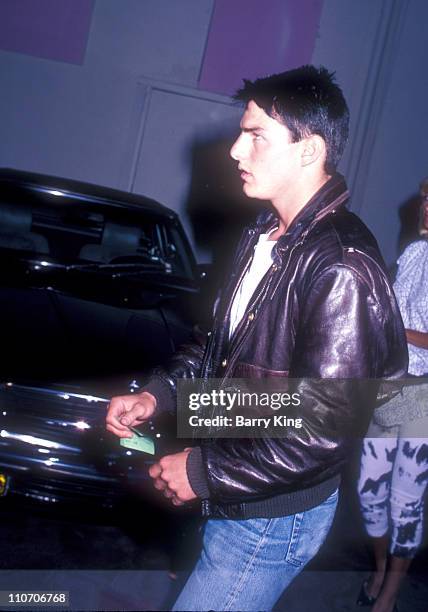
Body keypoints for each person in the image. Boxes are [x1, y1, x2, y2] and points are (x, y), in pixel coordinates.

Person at [106, 65, 407, 611]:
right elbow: (218, 348)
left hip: (273, 515)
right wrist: (160, 396)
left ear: (308, 150)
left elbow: (323, 428)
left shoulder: (341, 265)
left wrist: (203, 472)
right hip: (239, 484)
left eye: (256, 136)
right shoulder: (262, 235)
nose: (234, 152)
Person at [357, 178, 428, 612]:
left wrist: (390, 329)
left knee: (406, 500)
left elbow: (396, 324)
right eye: (425, 198)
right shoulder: (415, 252)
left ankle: (393, 588)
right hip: (387, 387)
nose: (425, 208)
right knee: (369, 493)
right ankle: (381, 566)